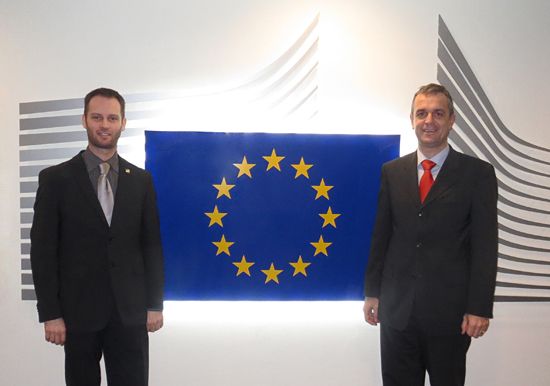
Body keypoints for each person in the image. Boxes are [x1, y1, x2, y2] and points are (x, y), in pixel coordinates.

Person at [363, 83, 498, 386]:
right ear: (412, 119)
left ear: (452, 120)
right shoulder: (392, 171)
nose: (429, 121)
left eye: (438, 113)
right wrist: (373, 291)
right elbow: (381, 236)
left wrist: (478, 307)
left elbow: (485, 245)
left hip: (450, 315)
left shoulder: (478, 174)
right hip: (397, 312)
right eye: (421, 113)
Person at [30, 87, 165, 386]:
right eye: (97, 117)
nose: (104, 124)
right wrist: (51, 314)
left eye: (112, 118)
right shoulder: (55, 179)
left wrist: (155, 304)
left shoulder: (141, 181)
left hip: (130, 314)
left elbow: (151, 245)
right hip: (77, 314)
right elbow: (42, 251)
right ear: (84, 120)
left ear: (123, 123)